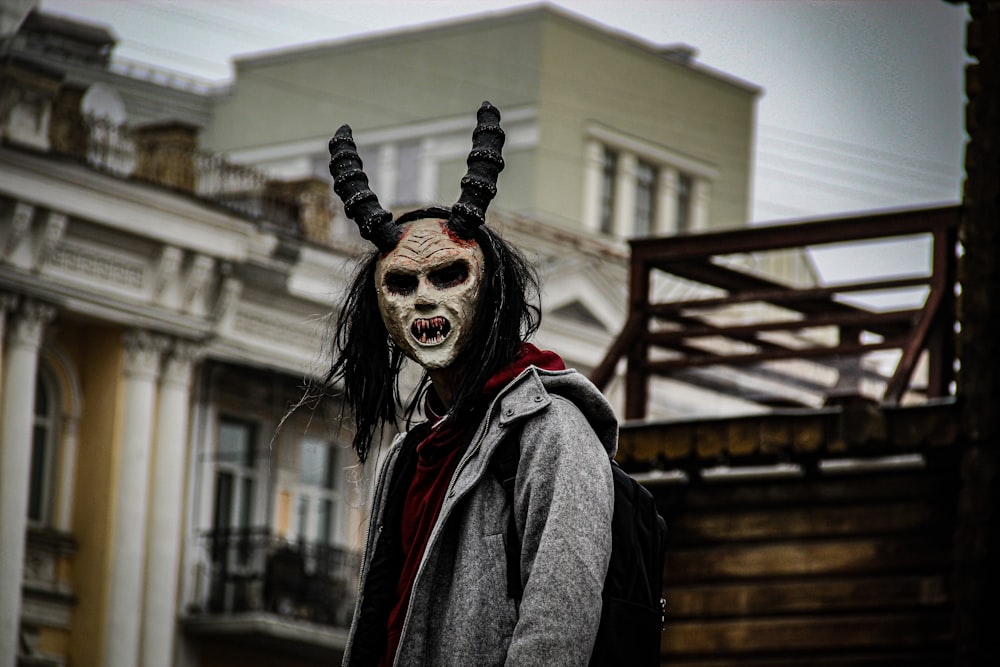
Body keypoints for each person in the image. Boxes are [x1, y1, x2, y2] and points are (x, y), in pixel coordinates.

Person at [325, 101, 616, 667]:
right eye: (403, 284)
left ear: (492, 290)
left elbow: (559, 624)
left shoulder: (552, 432)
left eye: (449, 274)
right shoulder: (408, 454)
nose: (426, 300)